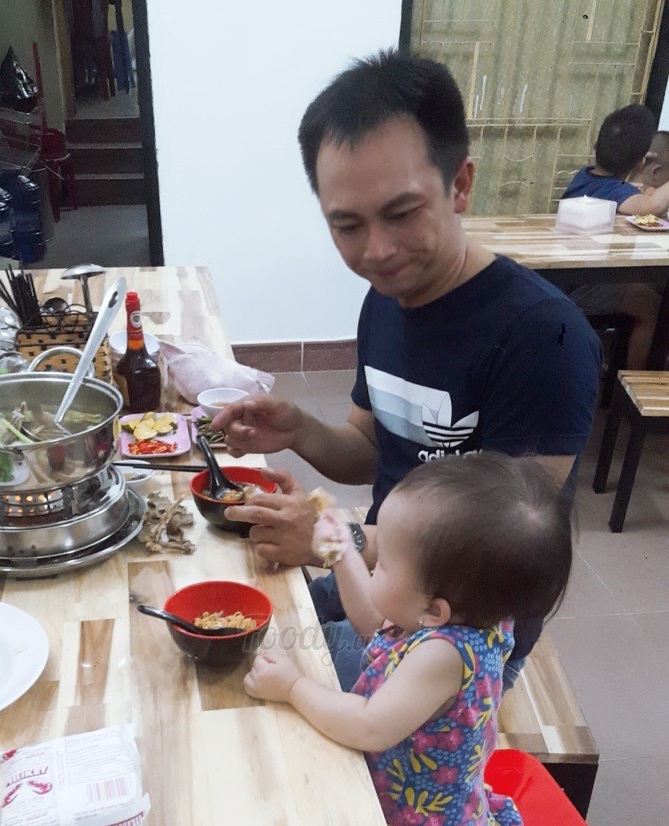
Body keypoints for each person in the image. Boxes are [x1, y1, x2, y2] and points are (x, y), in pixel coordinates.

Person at [213, 50, 600, 692]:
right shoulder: (386, 301)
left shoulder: (543, 337)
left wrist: (335, 540)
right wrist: (298, 429)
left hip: (453, 641)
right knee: (230, 624)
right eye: (347, 225)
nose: (377, 250)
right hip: (383, 585)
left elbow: (499, 554)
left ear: (460, 185)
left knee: (247, 690)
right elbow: (371, 449)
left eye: (401, 213)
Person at [244, 453, 573, 826]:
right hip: (413, 793)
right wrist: (342, 554)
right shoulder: (454, 615)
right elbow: (373, 621)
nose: (374, 566)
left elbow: (369, 725)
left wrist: (293, 687)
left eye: (383, 565)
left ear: (434, 609)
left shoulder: (443, 655)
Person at [562, 107, 669, 367]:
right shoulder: (612, 191)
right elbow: (653, 205)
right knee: (651, 306)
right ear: (641, 163)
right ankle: (632, 380)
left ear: (595, 146)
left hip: (578, 278)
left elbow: (637, 194)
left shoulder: (586, 176)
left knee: (647, 290)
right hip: (582, 287)